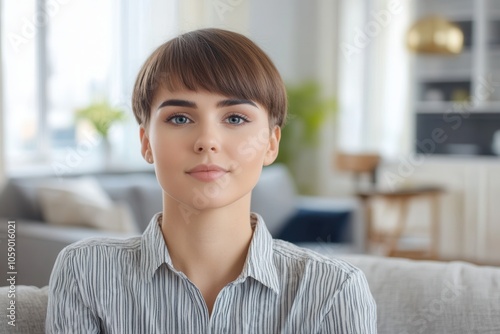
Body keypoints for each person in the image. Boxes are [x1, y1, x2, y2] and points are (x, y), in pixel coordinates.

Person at [46, 28, 377, 333]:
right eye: (180, 118)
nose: (207, 140)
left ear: (271, 144)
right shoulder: (85, 272)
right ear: (146, 142)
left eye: (235, 118)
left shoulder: (333, 289)